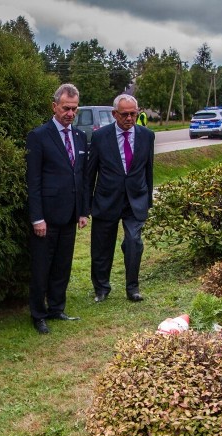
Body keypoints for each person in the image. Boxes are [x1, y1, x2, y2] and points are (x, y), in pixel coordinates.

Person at [25, 83, 88, 335]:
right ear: (54, 106)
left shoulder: (80, 137)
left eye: (74, 109)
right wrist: (37, 217)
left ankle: (57, 307)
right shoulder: (39, 136)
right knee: (42, 267)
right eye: (65, 108)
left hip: (70, 214)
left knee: (63, 264)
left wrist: (82, 211)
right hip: (46, 217)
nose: (70, 113)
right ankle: (38, 314)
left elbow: (81, 177)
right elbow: (34, 180)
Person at [86, 94, 155, 303]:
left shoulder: (147, 136)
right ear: (114, 114)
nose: (129, 118)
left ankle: (132, 287)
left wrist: (148, 200)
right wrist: (86, 204)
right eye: (124, 114)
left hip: (135, 199)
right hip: (106, 198)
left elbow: (148, 170)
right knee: (102, 246)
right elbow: (91, 172)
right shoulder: (100, 137)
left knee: (134, 242)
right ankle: (101, 288)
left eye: (133, 114)